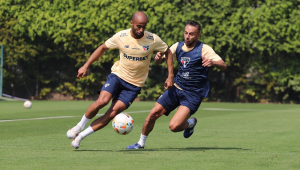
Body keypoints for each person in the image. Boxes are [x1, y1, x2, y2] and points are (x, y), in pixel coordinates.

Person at [66, 11, 174, 149]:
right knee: (102, 101)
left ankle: (80, 137)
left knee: (111, 113)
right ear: (132, 23)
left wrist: (170, 75)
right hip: (118, 76)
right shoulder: (121, 36)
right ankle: (78, 127)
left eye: (144, 27)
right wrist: (85, 65)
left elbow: (168, 51)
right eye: (139, 26)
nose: (141, 30)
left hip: (134, 86)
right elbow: (103, 47)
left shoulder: (152, 39)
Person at [126, 20, 227, 149]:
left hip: (193, 94)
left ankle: (191, 123)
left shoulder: (204, 49)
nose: (187, 36)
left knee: (174, 127)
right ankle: (140, 143)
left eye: (191, 34)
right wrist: (159, 59)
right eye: (186, 33)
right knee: (153, 114)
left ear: (198, 35)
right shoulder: (177, 46)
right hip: (176, 88)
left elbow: (224, 65)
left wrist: (213, 63)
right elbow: (161, 60)